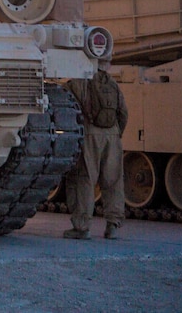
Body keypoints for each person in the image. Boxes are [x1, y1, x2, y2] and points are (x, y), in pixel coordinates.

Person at [63, 60, 128, 240]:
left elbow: (67, 109)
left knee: (84, 179)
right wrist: (115, 134)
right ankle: (112, 226)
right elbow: (123, 113)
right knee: (113, 180)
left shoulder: (77, 82)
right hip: (112, 135)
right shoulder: (112, 83)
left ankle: (82, 227)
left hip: (90, 134)